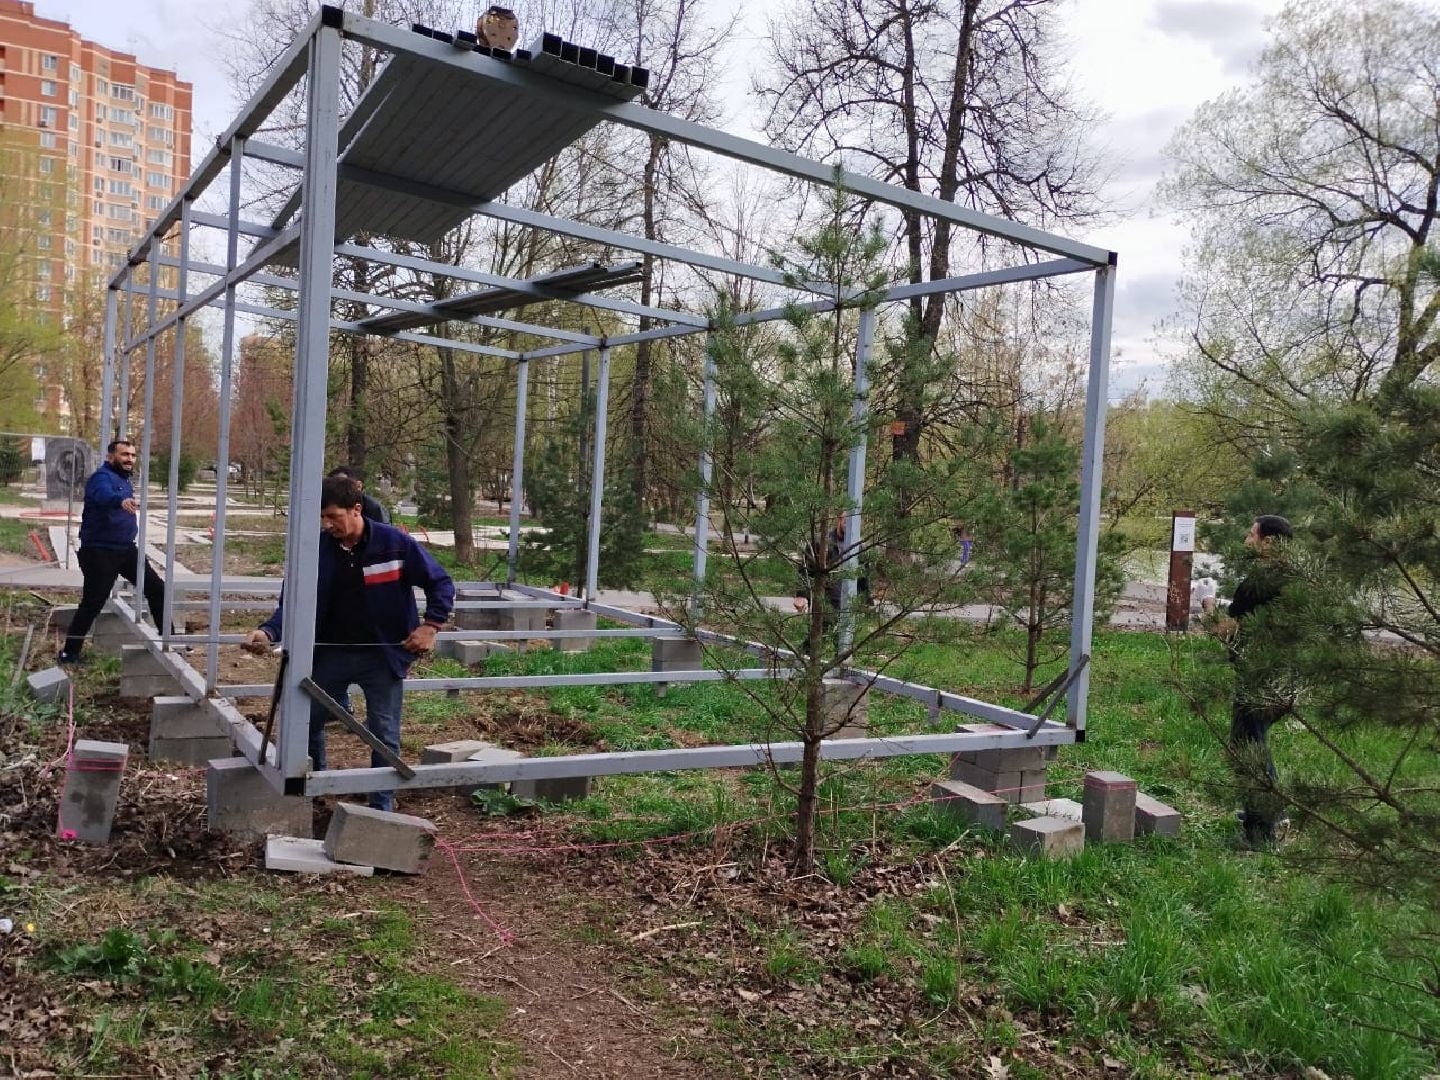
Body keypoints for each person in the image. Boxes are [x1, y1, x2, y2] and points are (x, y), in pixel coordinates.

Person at [243, 476, 453, 812]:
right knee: (306, 723)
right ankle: (316, 792)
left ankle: (380, 808)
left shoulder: (393, 544)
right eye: (322, 518)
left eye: (333, 517)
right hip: (330, 654)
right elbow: (293, 602)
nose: (327, 525)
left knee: (384, 734)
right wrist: (268, 632)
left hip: (382, 656)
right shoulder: (315, 550)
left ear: (356, 509)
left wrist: (430, 626)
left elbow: (440, 582)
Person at [1216, 514, 1295, 849]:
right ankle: (1263, 815)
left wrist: (1208, 608)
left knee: (1249, 749)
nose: (1247, 541)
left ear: (1269, 542)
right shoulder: (1295, 578)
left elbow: (1228, 630)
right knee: (1256, 742)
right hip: (1285, 676)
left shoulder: (1257, 582)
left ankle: (1263, 830)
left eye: (1252, 535)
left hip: (1256, 677)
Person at [59, 439, 173, 664]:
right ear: (111, 457)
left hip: (126, 550)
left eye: (132, 455)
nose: (129, 459)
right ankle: (70, 653)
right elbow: (103, 495)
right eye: (124, 455)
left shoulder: (124, 478)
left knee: (156, 588)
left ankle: (169, 639)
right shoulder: (101, 478)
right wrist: (119, 500)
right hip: (100, 552)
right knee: (93, 602)